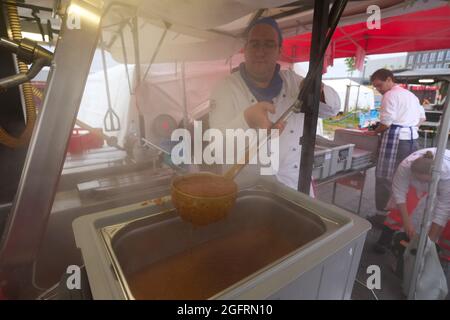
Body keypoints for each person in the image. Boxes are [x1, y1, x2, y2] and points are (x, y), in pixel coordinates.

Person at [208, 17, 340, 190]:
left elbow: (333, 109)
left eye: (269, 44)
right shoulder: (226, 88)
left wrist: (320, 91)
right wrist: (245, 120)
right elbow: (217, 145)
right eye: (254, 44)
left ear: (279, 50)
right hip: (248, 190)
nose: (261, 51)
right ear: (245, 49)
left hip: (293, 185)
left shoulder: (293, 81)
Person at [368, 69, 426, 219]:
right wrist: (410, 127)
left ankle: (381, 215)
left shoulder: (390, 95)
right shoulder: (411, 95)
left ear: (389, 79)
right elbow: (422, 118)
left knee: (384, 178)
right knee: (404, 178)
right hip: (412, 141)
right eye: (376, 87)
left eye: (380, 85)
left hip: (397, 143)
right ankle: (397, 217)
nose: (379, 90)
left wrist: (374, 132)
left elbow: (386, 124)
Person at [374, 148, 450, 261]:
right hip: (412, 185)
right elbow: (399, 194)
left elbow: (443, 208)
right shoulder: (405, 166)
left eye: (425, 181)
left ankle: (440, 253)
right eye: (418, 179)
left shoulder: (446, 177)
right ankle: (385, 240)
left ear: (434, 177)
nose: (421, 183)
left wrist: (431, 239)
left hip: (441, 188)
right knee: (399, 210)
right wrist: (407, 223)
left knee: (435, 219)